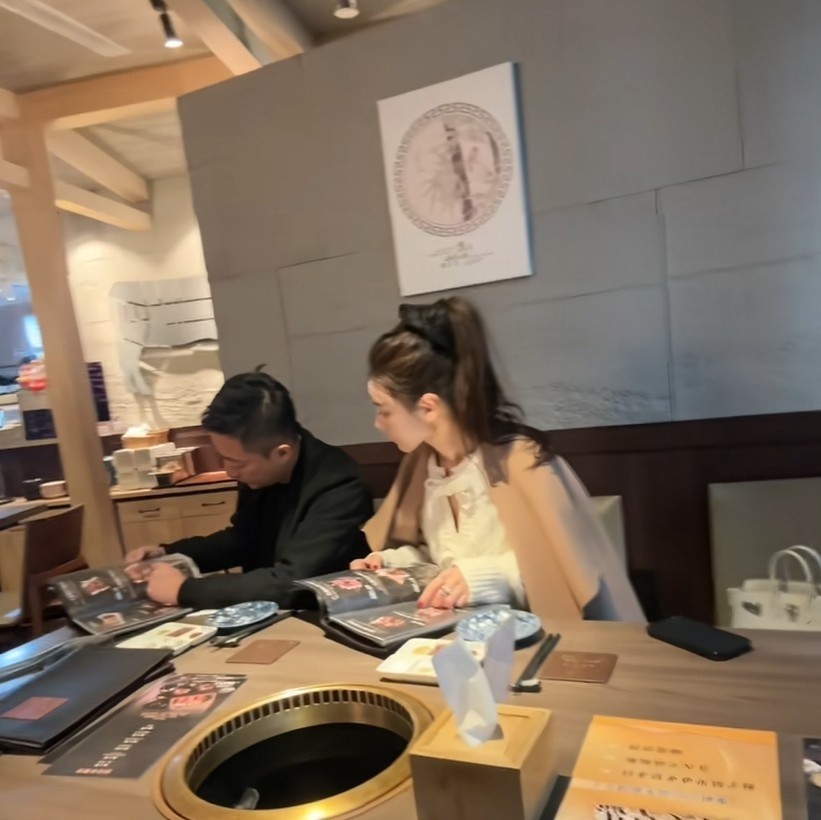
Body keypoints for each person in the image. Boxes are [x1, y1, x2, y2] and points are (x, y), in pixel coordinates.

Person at [351, 298, 644, 622]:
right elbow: (440, 559)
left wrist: (485, 577)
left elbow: (561, 574)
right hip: (452, 634)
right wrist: (391, 565)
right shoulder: (422, 464)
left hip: (534, 636)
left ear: (429, 407)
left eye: (384, 410)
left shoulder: (523, 462)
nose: (378, 424)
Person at [125, 370, 372, 609]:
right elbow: (243, 540)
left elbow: (294, 581)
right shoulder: (261, 474)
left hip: (324, 615)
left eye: (237, 462)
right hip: (270, 611)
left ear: (282, 454)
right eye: (223, 458)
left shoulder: (339, 484)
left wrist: (184, 590)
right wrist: (171, 554)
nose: (230, 471)